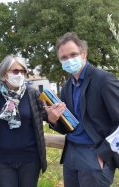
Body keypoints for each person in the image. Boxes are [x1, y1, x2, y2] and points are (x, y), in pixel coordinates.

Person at [46, 32, 119, 187]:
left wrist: (104, 154)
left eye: (73, 54)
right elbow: (67, 125)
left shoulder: (104, 80)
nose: (69, 60)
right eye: (64, 58)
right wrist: (53, 119)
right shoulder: (67, 87)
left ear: (84, 54)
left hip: (94, 153)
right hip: (70, 153)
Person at [0, 55, 48, 187]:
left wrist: (53, 117)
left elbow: (46, 117)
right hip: (3, 160)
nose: (20, 74)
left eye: (22, 71)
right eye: (15, 71)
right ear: (4, 73)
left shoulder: (33, 94)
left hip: (30, 159)